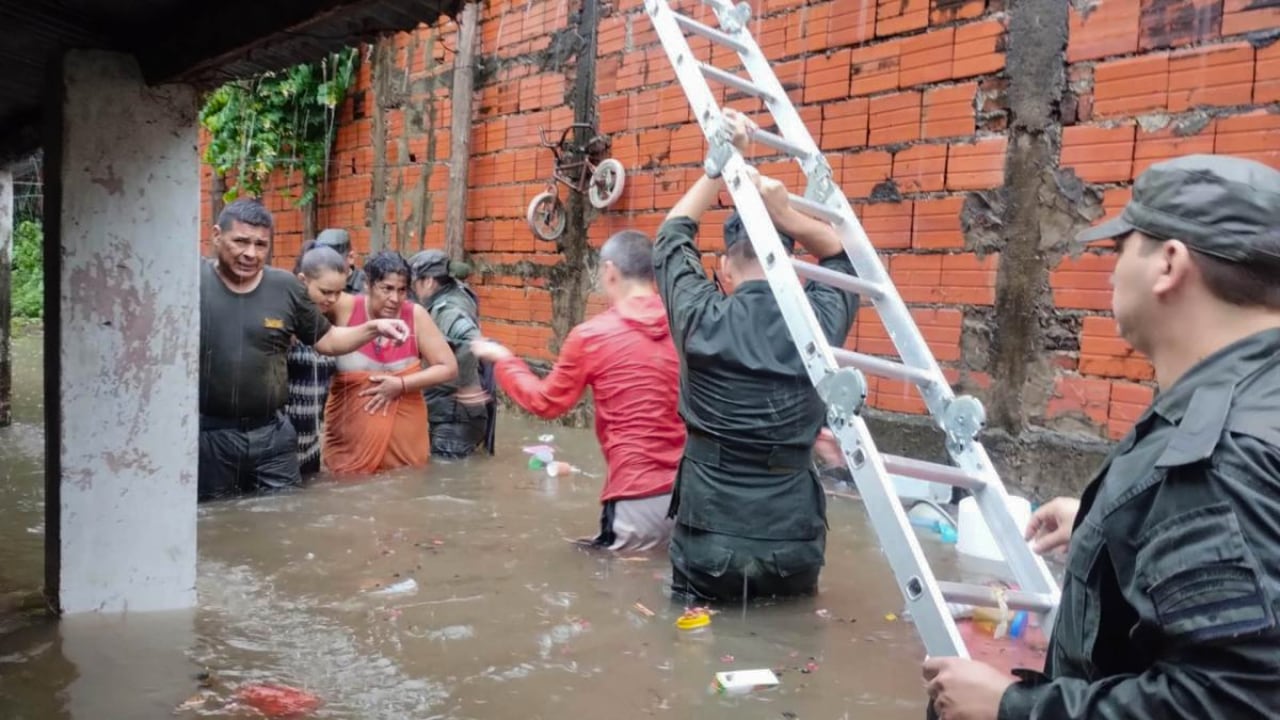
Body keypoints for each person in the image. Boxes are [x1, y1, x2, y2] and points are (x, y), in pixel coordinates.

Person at [922, 154, 1280, 720]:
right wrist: (1107, 525)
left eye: (1120, 249)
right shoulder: (1252, 394)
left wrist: (1011, 708)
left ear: (1168, 263)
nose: (1111, 272)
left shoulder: (1219, 454)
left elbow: (1233, 701)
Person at [655, 108, 860, 603]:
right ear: (789, 262)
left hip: (709, 538)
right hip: (792, 542)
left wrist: (721, 162)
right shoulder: (818, 324)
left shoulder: (701, 317)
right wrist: (786, 213)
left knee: (693, 650)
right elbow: (845, 259)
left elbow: (670, 236)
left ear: (724, 267)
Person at [472, 231, 686, 552]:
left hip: (635, 497)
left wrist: (505, 361)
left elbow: (545, 403)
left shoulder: (591, 335)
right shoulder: (689, 323)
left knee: (613, 585)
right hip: (695, 496)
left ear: (610, 271)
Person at [199, 200, 410, 501]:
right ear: (217, 236)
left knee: (286, 517)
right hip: (209, 435)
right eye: (241, 242)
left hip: (272, 434)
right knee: (216, 521)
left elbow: (328, 340)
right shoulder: (192, 282)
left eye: (261, 245)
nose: (251, 253)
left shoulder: (283, 287)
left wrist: (375, 327)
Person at [322, 251, 457, 475]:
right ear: (368, 284)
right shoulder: (343, 307)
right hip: (348, 447)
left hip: (406, 451)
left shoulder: (415, 315)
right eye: (387, 289)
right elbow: (305, 304)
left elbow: (449, 368)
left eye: (402, 290)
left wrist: (401, 385)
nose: (395, 299)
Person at [408, 250, 496, 458]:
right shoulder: (457, 292)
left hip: (453, 416)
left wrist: (466, 385)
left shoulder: (448, 309)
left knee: (445, 482)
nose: (412, 290)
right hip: (452, 412)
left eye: (414, 283)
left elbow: (471, 340)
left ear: (428, 281)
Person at [284, 242, 346, 476]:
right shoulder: (284, 322)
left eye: (338, 292)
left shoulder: (331, 325)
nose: (332, 299)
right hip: (278, 447)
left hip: (311, 446)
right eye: (325, 291)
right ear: (302, 281)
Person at [315, 228, 366, 294]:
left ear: (351, 258)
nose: (326, 266)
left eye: (332, 262)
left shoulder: (367, 286)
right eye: (321, 261)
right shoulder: (315, 283)